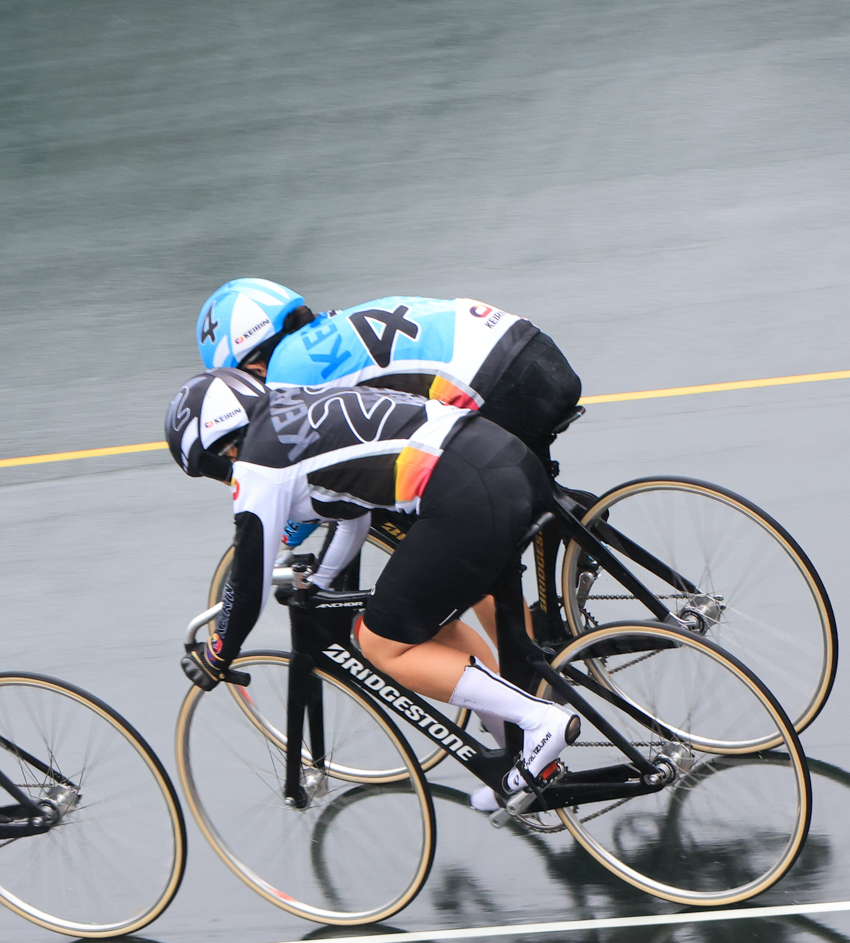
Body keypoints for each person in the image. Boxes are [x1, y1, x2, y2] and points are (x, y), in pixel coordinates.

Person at [165, 367, 579, 805]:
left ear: (219, 447)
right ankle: (515, 753)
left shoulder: (257, 464)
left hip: (466, 495)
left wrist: (217, 654)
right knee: (422, 625)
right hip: (504, 459)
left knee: (380, 640)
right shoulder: (294, 404)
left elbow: (247, 581)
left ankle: (538, 720)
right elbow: (352, 513)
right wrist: (320, 585)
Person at [194, 278, 585, 631]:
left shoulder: (284, 379)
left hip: (499, 386)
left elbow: (303, 474)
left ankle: (524, 657)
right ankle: (577, 535)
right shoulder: (326, 327)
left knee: (453, 533)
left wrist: (283, 539)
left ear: (252, 364)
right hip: (527, 347)